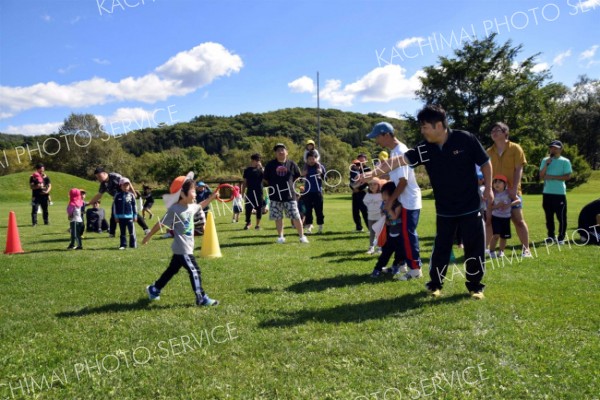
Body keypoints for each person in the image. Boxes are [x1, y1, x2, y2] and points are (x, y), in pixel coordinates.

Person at [360, 104, 492, 299]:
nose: (422, 131)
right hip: (445, 208)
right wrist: (373, 172)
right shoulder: (426, 148)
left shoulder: (464, 139)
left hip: (470, 206)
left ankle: (475, 287)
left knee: (474, 247)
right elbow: (397, 161)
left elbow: (485, 162)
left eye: (424, 127)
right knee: (441, 248)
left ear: (438, 125)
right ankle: (435, 284)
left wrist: (488, 188)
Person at [143, 172, 219, 307]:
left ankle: (154, 289)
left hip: (184, 247)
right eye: (193, 191)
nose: (195, 194)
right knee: (195, 271)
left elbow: (201, 205)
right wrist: (148, 235)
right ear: (182, 194)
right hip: (183, 248)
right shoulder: (175, 209)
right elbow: (161, 223)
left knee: (171, 270)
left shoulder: (191, 207)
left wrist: (212, 198)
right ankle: (201, 298)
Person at [366, 121, 423, 281]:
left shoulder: (400, 152)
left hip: (409, 201)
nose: (376, 141)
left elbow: (404, 182)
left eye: (377, 137)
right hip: (404, 201)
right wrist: (377, 176)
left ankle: (415, 270)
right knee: (401, 236)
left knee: (408, 235)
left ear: (386, 135)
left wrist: (390, 201)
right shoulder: (394, 152)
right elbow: (396, 177)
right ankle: (402, 265)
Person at [486, 122, 532, 258]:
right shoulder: (489, 151)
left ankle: (526, 249)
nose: (494, 132)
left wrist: (514, 189)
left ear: (505, 133)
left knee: (518, 221)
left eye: (497, 130)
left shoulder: (515, 148)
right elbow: (486, 171)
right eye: (492, 130)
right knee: (490, 221)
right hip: (495, 193)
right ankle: (487, 249)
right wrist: (488, 189)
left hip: (512, 192)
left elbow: (519, 169)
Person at [263, 143, 309, 244]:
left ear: (286, 152)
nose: (280, 152)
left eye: (282, 150)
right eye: (278, 150)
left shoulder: (292, 164)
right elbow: (266, 180)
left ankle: (302, 237)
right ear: (275, 153)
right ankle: (280, 237)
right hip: (275, 196)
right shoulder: (270, 165)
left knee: (296, 216)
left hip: (290, 196)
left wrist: (291, 186)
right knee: (278, 217)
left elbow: (297, 177)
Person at [88, 167, 150, 237]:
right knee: (113, 216)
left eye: (99, 176)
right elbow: (99, 195)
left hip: (126, 198)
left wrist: (133, 192)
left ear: (105, 173)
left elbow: (127, 181)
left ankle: (146, 229)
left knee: (133, 213)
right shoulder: (103, 184)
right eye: (97, 177)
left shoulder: (115, 176)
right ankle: (112, 233)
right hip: (117, 200)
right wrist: (89, 203)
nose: (98, 179)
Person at [370, 181, 405, 278]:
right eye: (382, 196)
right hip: (389, 232)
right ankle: (377, 269)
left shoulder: (398, 205)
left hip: (399, 233)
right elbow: (383, 214)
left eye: (385, 196)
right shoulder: (383, 204)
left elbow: (394, 217)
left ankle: (395, 267)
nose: (383, 199)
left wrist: (388, 208)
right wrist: (385, 218)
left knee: (400, 252)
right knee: (385, 253)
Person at [539, 140, 572, 244]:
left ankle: (561, 237)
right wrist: (547, 165)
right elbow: (541, 176)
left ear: (561, 149)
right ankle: (551, 236)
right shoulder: (545, 160)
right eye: (551, 147)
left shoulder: (565, 161)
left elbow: (567, 176)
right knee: (549, 217)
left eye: (556, 148)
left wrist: (552, 177)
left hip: (559, 194)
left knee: (561, 217)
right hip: (547, 193)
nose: (553, 149)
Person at [488, 175, 521, 258]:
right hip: (496, 217)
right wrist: (497, 206)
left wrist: (510, 204)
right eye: (495, 182)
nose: (496, 184)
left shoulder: (508, 192)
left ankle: (501, 252)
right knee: (496, 235)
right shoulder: (493, 193)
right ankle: (491, 251)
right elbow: (489, 208)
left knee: (504, 236)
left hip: (506, 218)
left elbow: (518, 200)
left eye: (499, 182)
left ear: (505, 184)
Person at [301, 150, 326, 234]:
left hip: (317, 192)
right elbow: (300, 179)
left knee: (319, 211)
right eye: (309, 159)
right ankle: (309, 228)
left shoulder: (320, 166)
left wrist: (321, 173)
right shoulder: (305, 167)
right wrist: (302, 175)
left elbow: (326, 179)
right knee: (308, 211)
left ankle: (320, 227)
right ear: (307, 159)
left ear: (316, 159)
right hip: (307, 192)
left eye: (313, 159)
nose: (311, 161)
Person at [241, 153, 265, 230]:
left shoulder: (261, 170)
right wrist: (242, 192)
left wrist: (261, 168)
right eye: (256, 160)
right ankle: (248, 222)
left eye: (259, 160)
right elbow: (244, 182)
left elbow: (266, 177)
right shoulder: (247, 170)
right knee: (248, 208)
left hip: (259, 192)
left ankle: (257, 225)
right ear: (252, 160)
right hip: (250, 192)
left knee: (259, 208)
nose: (258, 162)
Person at [113, 178, 138, 250]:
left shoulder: (131, 195)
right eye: (124, 185)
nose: (126, 187)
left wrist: (135, 215)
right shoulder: (117, 195)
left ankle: (133, 244)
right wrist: (116, 216)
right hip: (120, 217)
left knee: (131, 232)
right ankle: (123, 244)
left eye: (127, 185)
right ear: (120, 186)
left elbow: (134, 206)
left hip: (130, 217)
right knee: (122, 232)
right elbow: (115, 206)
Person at [349, 154, 371, 232]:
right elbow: (351, 180)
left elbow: (368, 181)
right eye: (359, 160)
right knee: (355, 211)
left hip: (364, 193)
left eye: (362, 160)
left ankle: (370, 228)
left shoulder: (368, 169)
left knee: (365, 211)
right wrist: (352, 188)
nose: (361, 162)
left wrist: (359, 189)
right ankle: (359, 228)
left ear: (365, 160)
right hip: (355, 193)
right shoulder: (354, 168)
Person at [363, 178, 385, 254]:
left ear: (379, 185)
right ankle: (371, 247)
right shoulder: (368, 195)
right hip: (371, 216)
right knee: (372, 232)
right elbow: (365, 202)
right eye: (370, 184)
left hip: (380, 217)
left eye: (374, 184)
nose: (372, 186)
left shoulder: (381, 194)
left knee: (379, 232)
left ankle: (380, 247)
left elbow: (384, 203)